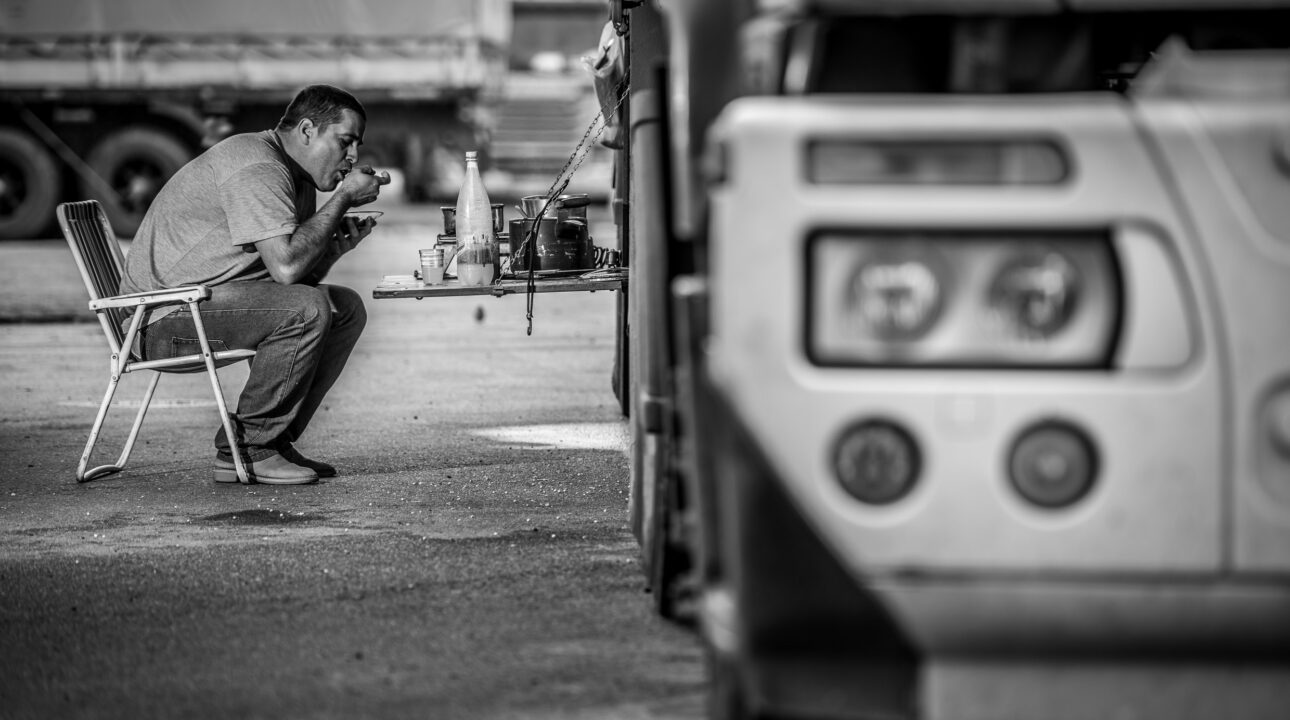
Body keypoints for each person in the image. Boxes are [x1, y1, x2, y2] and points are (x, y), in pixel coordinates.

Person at [119, 84, 390, 485]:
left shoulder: (295, 177)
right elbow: (285, 271)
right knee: (309, 308)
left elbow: (290, 280)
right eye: (345, 142)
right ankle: (248, 448)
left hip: (199, 306)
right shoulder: (258, 166)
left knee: (343, 309)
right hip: (157, 323)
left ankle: (274, 440)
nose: (352, 157)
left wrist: (333, 251)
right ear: (307, 130)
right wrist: (343, 200)